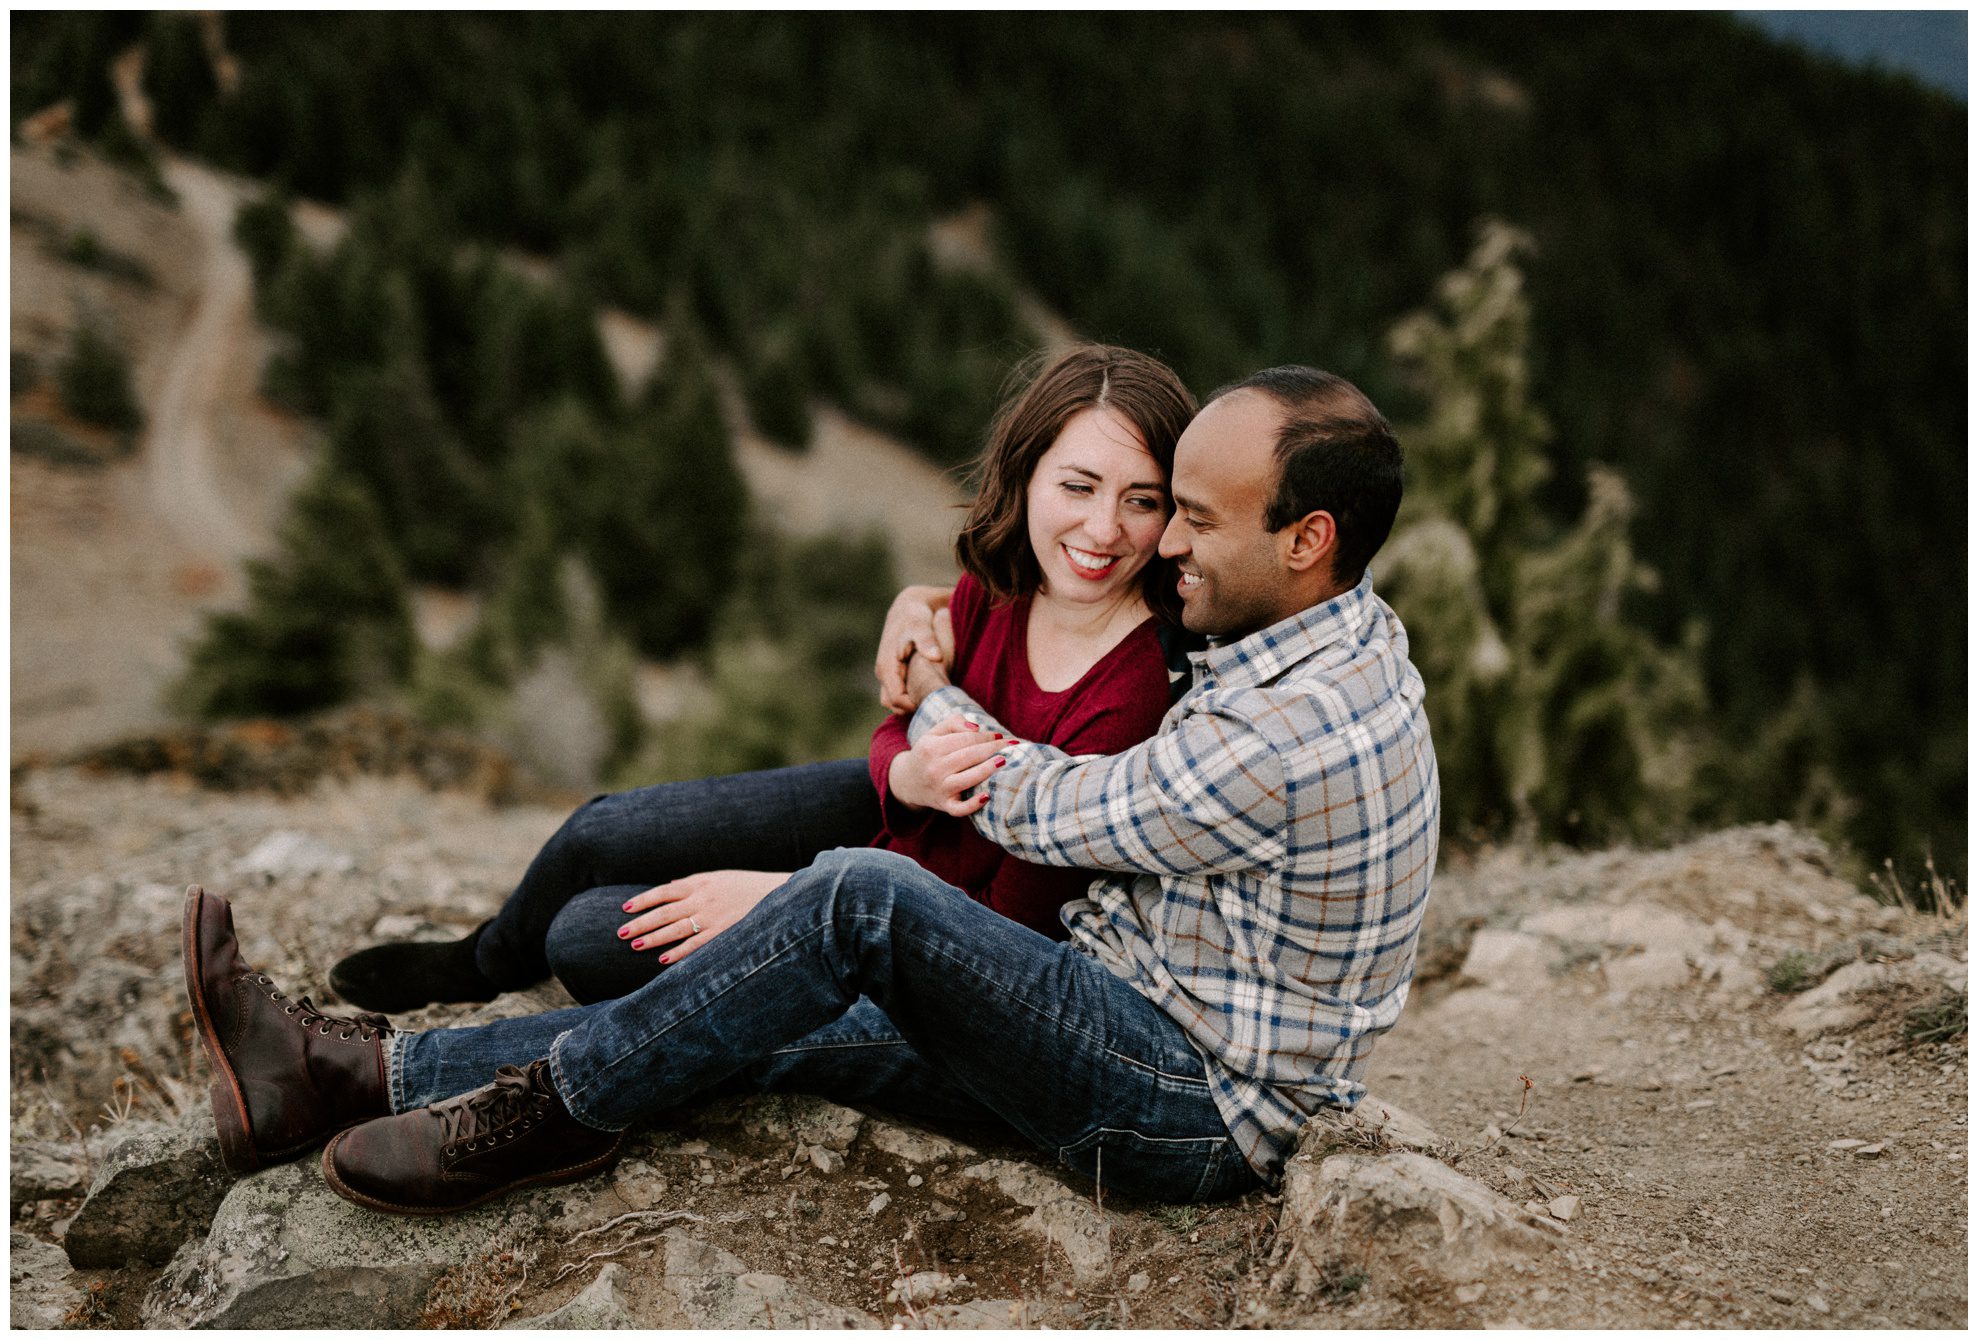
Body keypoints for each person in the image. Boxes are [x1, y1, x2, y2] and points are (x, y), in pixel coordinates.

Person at [182, 365, 1439, 1215]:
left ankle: (557, 1113)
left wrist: (928, 687)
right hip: (1129, 1007)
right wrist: (926, 614)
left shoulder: (1285, 731)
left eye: (1188, 517)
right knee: (762, 1012)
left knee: (855, 901)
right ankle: (347, 1078)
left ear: (1306, 537)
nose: (1160, 544)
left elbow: (1028, 801)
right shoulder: (1324, 623)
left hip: (1182, 1100)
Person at [326, 344, 1199, 1009]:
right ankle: (478, 964)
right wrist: (905, 774)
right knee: (599, 832)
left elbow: (1003, 927)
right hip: (895, 823)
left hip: (927, 927)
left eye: (1142, 500)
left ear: (1174, 515)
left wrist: (786, 900)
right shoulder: (997, 588)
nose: (1103, 530)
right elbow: (901, 722)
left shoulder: (1129, 694)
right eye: (1078, 486)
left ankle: (558, 961)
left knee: (589, 938)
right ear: (1029, 476)